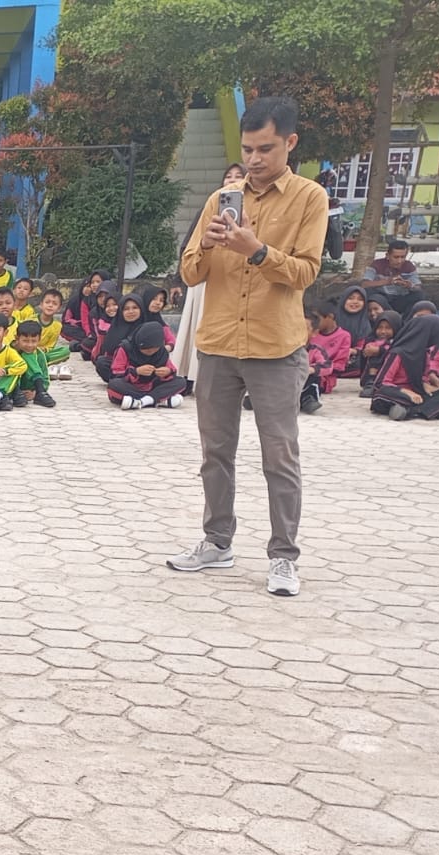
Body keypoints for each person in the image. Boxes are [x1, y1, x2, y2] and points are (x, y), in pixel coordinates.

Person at [169, 96, 327, 598]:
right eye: (248, 149)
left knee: (279, 456)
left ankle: (283, 557)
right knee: (216, 452)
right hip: (217, 344)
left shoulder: (310, 199)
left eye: (266, 148)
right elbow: (190, 272)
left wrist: (256, 251)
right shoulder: (222, 200)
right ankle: (217, 542)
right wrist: (212, 244)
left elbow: (305, 271)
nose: (255, 159)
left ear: (290, 143)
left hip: (275, 348)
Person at [173, 164, 247, 384]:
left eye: (238, 176)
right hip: (206, 280)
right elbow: (189, 246)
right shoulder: (210, 208)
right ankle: (190, 377)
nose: (231, 180)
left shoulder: (255, 213)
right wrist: (178, 279)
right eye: (228, 176)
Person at [369, 313, 439, 420]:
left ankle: (408, 410)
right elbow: (380, 383)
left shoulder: (424, 354)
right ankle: (417, 410)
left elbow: (421, 380)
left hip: (416, 392)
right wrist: (406, 392)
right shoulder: (397, 353)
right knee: (383, 395)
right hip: (396, 392)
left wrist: (429, 386)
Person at [109, 323, 189, 410]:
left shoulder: (162, 352)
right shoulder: (126, 348)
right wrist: (136, 371)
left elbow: (171, 369)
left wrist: (167, 372)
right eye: (146, 349)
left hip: (154, 385)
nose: (150, 352)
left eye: (154, 349)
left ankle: (142, 401)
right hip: (133, 386)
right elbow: (116, 372)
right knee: (114, 385)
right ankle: (159, 399)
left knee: (181, 382)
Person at [363, 238, 425, 316]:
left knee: (419, 295)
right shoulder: (377, 265)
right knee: (368, 293)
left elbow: (418, 287)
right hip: (382, 300)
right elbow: (365, 284)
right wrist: (387, 281)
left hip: (401, 299)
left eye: (403, 257)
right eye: (396, 257)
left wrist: (408, 285)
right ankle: (387, 316)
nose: (399, 261)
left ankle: (405, 321)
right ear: (387, 256)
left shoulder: (409, 266)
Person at [11, 320, 58, 409]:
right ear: (17, 338)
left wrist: (34, 392)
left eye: (34, 341)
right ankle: (21, 393)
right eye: (25, 341)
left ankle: (40, 392)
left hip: (30, 387)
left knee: (28, 356)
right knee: (26, 356)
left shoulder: (40, 354)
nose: (29, 345)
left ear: (39, 340)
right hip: (13, 386)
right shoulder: (9, 351)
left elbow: (45, 378)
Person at [309, 305, 351, 393]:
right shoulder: (311, 333)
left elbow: (340, 365)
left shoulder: (344, 336)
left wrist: (317, 369)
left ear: (330, 317)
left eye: (317, 318)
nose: (314, 322)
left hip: (326, 378)